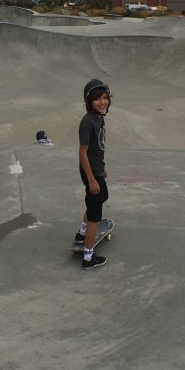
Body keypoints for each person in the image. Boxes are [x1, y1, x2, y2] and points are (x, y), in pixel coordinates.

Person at [76, 78, 111, 269]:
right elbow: (82, 152)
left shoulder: (99, 118)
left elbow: (97, 149)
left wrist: (101, 169)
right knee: (95, 216)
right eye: (97, 99)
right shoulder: (88, 121)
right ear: (89, 101)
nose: (102, 102)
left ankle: (82, 232)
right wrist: (91, 180)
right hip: (90, 172)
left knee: (102, 196)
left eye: (105, 98)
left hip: (96, 169)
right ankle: (88, 258)